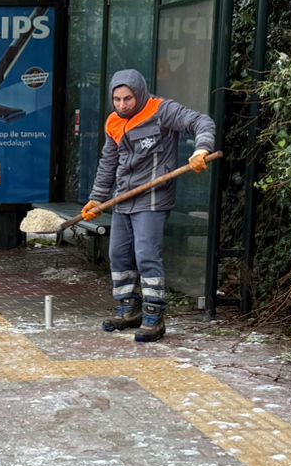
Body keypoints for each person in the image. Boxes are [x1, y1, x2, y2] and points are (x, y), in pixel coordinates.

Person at [82, 68, 215, 344]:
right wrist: (97, 198)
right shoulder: (113, 123)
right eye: (117, 99)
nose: (122, 105)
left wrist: (201, 149)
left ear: (139, 94)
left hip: (153, 197)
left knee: (146, 256)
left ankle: (154, 317)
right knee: (118, 255)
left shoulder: (161, 110)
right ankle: (128, 309)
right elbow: (108, 163)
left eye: (127, 99)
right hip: (123, 197)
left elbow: (202, 122)